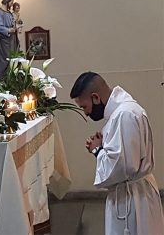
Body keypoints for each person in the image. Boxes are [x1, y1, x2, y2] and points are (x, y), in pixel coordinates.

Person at [70, 72, 164, 234]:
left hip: (133, 200)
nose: (85, 113)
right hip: (136, 194)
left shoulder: (123, 115)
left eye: (84, 107)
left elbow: (123, 167)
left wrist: (98, 150)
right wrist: (103, 146)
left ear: (95, 97)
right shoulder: (124, 110)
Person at [0, 0, 19, 80]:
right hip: (5, 41)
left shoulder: (9, 13)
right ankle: (3, 80)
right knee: (6, 60)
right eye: (11, 3)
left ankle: (12, 79)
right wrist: (9, 30)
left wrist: (16, 24)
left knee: (13, 60)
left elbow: (12, 22)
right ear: (7, 1)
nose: (12, 5)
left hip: (12, 40)